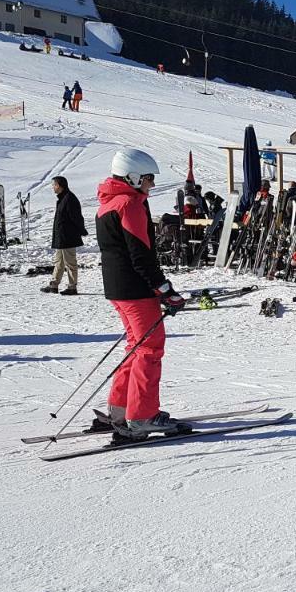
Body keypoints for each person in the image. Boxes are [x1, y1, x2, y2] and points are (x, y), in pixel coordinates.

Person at [95, 148, 189, 439]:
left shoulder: (107, 203)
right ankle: (142, 416)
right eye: (148, 179)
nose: (151, 184)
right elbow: (141, 254)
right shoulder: (130, 204)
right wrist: (164, 289)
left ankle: (121, 410)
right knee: (150, 349)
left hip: (118, 288)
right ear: (133, 177)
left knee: (136, 346)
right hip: (136, 289)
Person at [41, 176, 86, 295]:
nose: (53, 188)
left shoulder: (69, 199)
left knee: (70, 262)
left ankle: (72, 287)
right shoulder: (63, 198)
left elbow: (76, 217)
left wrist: (81, 230)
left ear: (60, 186)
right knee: (59, 261)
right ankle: (54, 285)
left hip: (68, 237)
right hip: (61, 237)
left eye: (54, 185)